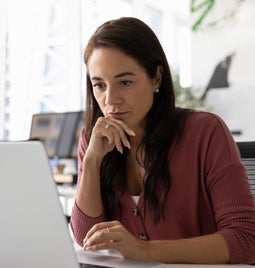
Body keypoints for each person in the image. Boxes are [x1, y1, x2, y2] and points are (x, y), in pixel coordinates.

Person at [70, 17, 255, 264]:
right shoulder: (94, 138)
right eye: (99, 85)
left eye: (125, 82)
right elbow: (87, 239)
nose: (110, 100)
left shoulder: (205, 132)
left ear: (156, 78)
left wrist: (144, 250)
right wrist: (92, 160)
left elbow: (246, 239)